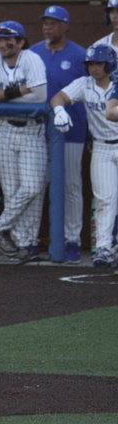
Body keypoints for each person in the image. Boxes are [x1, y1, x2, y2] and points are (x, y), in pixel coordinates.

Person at [0, 21, 48, 260]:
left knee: (32, 187)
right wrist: (20, 91)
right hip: (4, 128)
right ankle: (23, 245)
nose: (2, 44)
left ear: (20, 42)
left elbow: (39, 96)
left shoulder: (31, 59)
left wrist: (1, 97)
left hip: (31, 129)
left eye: (8, 40)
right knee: (11, 191)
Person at [29, 6, 88, 264]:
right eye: (45, 22)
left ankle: (72, 240)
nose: (47, 27)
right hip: (36, 131)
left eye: (53, 23)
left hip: (71, 130)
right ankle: (30, 240)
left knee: (71, 186)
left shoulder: (79, 55)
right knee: (36, 186)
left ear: (65, 26)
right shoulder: (33, 52)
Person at [51, 45, 118, 267]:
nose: (94, 68)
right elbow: (58, 97)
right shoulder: (84, 84)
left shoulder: (117, 83)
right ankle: (104, 248)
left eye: (99, 63)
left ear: (109, 64)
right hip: (101, 147)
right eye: (90, 64)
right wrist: (59, 110)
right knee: (104, 199)